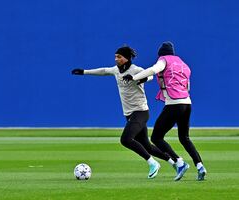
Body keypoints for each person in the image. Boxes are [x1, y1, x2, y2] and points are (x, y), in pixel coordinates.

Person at [71, 45, 176, 179]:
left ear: (126, 58)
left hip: (140, 111)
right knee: (147, 146)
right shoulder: (116, 70)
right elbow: (103, 70)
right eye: (115, 56)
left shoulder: (136, 70)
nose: (116, 59)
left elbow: (149, 76)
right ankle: (175, 163)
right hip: (129, 114)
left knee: (126, 139)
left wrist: (142, 78)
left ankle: (152, 163)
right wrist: (85, 72)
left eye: (119, 57)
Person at [123, 41, 207, 181]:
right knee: (184, 138)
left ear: (161, 54)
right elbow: (188, 87)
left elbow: (153, 70)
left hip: (174, 104)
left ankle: (179, 163)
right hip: (187, 103)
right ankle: (200, 166)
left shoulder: (163, 60)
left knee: (156, 137)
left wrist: (133, 77)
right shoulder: (183, 64)